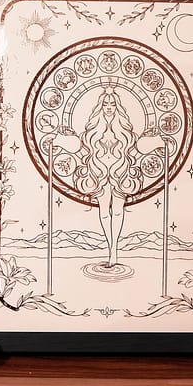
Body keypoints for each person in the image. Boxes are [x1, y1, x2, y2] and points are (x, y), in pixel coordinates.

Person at [53, 87, 162, 268]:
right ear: (101, 106)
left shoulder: (125, 131)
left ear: (117, 107)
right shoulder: (93, 130)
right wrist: (63, 141)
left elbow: (135, 149)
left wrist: (153, 142)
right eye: (106, 104)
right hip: (99, 174)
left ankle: (114, 250)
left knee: (118, 211)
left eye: (112, 104)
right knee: (104, 212)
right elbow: (82, 149)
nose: (109, 107)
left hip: (120, 173)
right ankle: (111, 248)